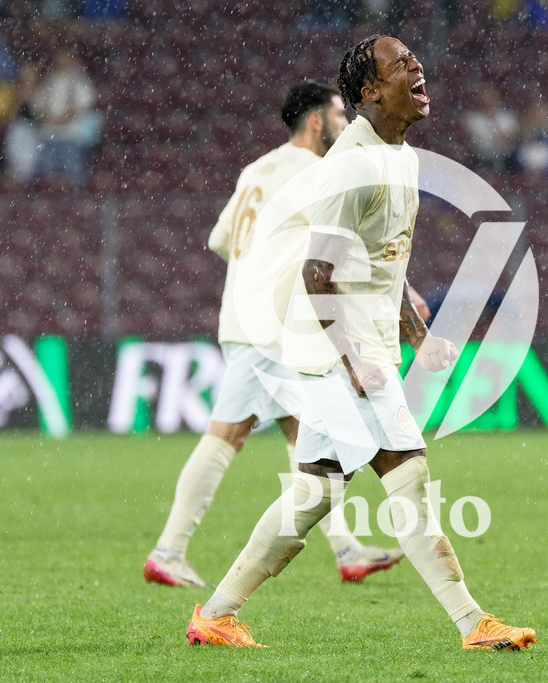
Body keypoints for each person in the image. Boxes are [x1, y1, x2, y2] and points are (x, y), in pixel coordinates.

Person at [185, 35, 536, 651]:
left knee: (315, 492)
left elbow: (379, 263)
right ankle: (472, 622)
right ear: (371, 90)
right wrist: (353, 364)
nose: (417, 66)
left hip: (357, 348)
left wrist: (419, 336)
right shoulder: (353, 165)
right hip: (338, 351)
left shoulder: (398, 154)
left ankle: (215, 614)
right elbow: (318, 274)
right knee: (408, 471)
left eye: (414, 59)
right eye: (401, 64)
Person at [143, 81, 405, 589]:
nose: (346, 123)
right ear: (314, 122)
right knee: (259, 434)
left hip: (244, 321)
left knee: (295, 434)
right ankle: (168, 551)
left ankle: (346, 549)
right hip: (271, 330)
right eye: (337, 113)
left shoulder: (257, 169)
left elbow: (222, 240)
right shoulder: (316, 172)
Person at [33, 47, 96, 189]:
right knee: (46, 177)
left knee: (74, 177)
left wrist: (64, 118)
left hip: (70, 134)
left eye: (65, 57)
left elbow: (84, 103)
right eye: (60, 57)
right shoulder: (48, 80)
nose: (62, 60)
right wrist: (48, 118)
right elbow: (38, 104)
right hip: (48, 134)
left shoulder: (78, 80)